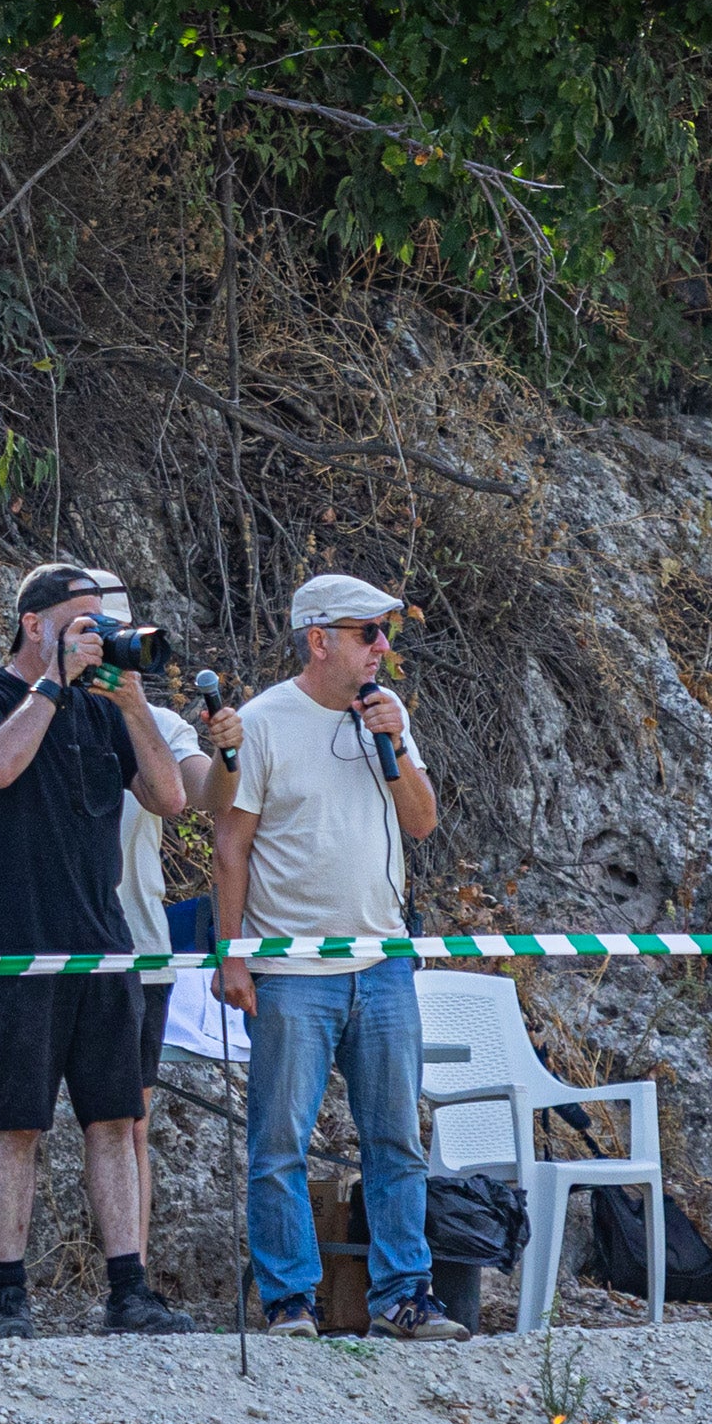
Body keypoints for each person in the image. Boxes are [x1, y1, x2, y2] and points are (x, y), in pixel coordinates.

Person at [214, 573, 462, 1341]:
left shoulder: (384, 718)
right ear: (319, 640)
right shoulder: (261, 722)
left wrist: (394, 741)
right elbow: (231, 844)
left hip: (382, 961)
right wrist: (233, 956)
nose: (383, 649)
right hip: (291, 968)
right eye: (367, 633)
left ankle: (404, 1295)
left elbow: (421, 824)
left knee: (396, 1139)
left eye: (386, 633)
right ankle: (290, 1300)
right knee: (279, 1142)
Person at [0, 565, 191, 1339]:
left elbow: (169, 798)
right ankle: (8, 1296)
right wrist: (52, 682)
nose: (100, 635)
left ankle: (129, 1289)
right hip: (13, 947)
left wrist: (132, 699)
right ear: (34, 623)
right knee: (17, 1124)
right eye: (85, 622)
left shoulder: (101, 707)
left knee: (116, 1121)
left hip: (102, 946)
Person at [85, 570, 242, 1260]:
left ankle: (134, 1280)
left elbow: (203, 796)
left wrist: (228, 749)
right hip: (50, 942)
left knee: (131, 1120)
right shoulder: (26, 704)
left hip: (137, 942)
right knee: (22, 1125)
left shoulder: (154, 718)